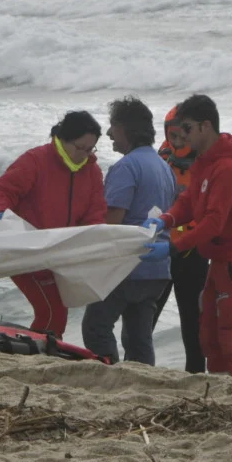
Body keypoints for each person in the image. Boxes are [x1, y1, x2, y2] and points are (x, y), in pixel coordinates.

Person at [140, 95, 232, 376]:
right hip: (218, 258)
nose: (181, 137)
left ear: (205, 126)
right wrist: (166, 219)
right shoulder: (205, 163)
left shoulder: (229, 169)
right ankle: (221, 388)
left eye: (187, 128)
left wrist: (173, 248)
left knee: (231, 333)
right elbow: (190, 202)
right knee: (208, 334)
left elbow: (213, 222)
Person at [0, 111, 107, 338]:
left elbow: (95, 214)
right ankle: (43, 353)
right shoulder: (36, 160)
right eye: (80, 147)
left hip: (59, 255)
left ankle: (38, 347)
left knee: (56, 311)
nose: (84, 155)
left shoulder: (92, 172)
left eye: (90, 149)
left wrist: (93, 241)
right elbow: (0, 191)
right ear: (63, 139)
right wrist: (2, 214)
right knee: (52, 310)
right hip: (25, 250)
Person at [80, 97, 176, 365]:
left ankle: (108, 377)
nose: (108, 133)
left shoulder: (126, 167)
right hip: (157, 269)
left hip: (127, 267)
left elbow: (113, 224)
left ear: (126, 129)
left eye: (113, 126)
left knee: (96, 328)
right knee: (138, 337)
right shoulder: (163, 166)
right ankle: (142, 380)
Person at [153, 105, 210, 373]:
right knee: (144, 320)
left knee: (194, 324)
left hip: (193, 253)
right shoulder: (160, 158)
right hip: (161, 251)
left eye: (182, 138)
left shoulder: (211, 163)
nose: (176, 143)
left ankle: (196, 377)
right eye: (171, 136)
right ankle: (138, 369)